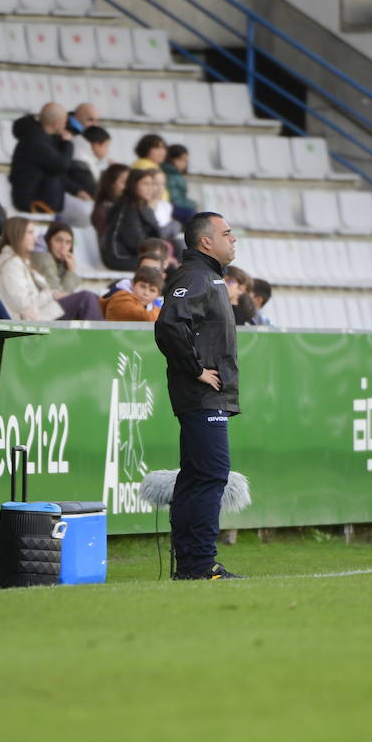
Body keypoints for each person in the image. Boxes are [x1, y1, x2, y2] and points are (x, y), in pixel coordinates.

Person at [155, 212, 243, 580]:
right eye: (226, 233)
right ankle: (201, 563)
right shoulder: (196, 276)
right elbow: (169, 325)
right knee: (210, 476)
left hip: (206, 399)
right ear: (205, 241)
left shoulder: (210, 277)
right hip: (201, 397)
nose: (233, 238)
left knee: (197, 478)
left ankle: (191, 565)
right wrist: (196, 370)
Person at [0, 216, 101, 321]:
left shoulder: (19, 261)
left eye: (68, 242)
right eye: (30, 233)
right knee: (86, 299)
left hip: (37, 312)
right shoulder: (11, 264)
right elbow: (23, 305)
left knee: (95, 299)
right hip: (29, 318)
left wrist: (53, 293)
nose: (36, 238)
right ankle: (101, 341)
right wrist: (52, 294)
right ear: (18, 234)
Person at [9, 101, 82, 214]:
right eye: (65, 121)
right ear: (57, 123)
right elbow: (60, 165)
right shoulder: (34, 141)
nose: (65, 124)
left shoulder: (47, 139)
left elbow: (57, 173)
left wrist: (77, 190)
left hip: (43, 204)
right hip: (33, 204)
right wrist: (68, 143)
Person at [100, 167, 161, 271]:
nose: (150, 188)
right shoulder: (127, 208)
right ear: (133, 185)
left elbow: (156, 235)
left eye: (152, 184)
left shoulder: (143, 207)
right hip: (120, 257)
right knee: (162, 267)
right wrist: (158, 255)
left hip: (134, 256)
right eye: (145, 184)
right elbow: (136, 242)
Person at [31, 220, 79, 294]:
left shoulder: (61, 262)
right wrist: (71, 271)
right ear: (48, 240)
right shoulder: (43, 258)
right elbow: (59, 296)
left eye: (68, 242)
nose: (63, 247)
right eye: (59, 241)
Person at [161, 143, 197, 224]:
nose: (185, 163)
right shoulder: (171, 176)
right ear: (172, 159)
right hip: (171, 207)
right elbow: (175, 198)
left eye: (186, 160)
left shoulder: (176, 175)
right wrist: (193, 205)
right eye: (182, 159)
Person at [91, 162, 128, 237]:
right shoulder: (105, 208)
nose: (128, 187)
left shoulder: (126, 206)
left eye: (130, 182)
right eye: (124, 182)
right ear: (111, 184)